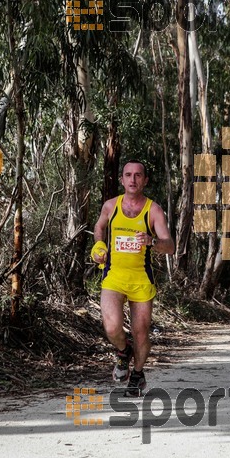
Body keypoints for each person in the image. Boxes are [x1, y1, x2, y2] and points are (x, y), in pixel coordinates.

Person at [91, 160, 175, 396]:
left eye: (138, 175)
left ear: (145, 180)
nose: (133, 179)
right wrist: (99, 245)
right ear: (122, 179)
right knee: (111, 326)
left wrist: (152, 241)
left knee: (140, 331)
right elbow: (99, 227)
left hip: (141, 280)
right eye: (128, 175)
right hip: (113, 276)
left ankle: (137, 374)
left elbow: (170, 246)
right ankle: (122, 350)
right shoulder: (111, 206)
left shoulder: (153, 210)